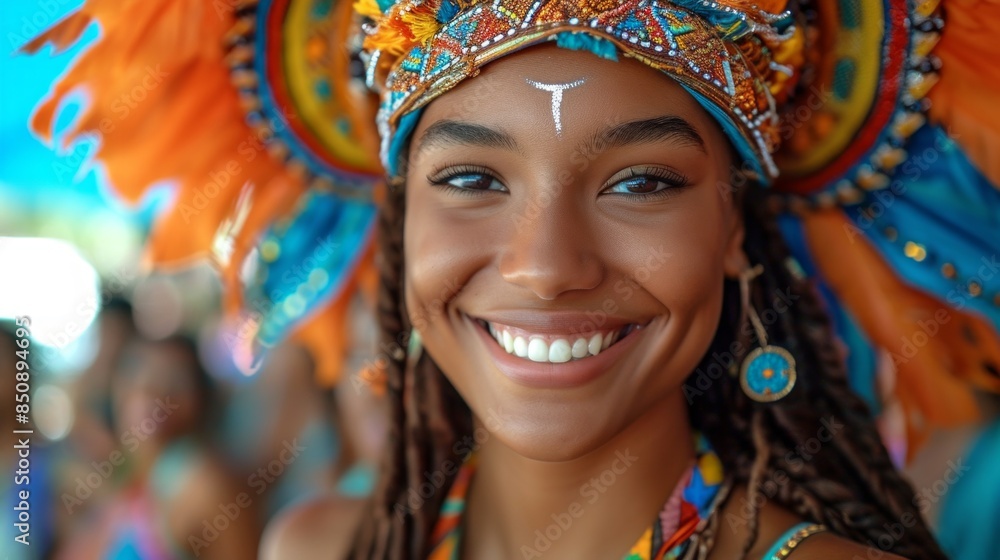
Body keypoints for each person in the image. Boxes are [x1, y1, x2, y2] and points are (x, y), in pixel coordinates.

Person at [25, 0, 1000, 558]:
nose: (546, 264)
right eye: (473, 179)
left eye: (640, 181)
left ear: (735, 230)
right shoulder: (318, 546)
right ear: (403, 228)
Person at [54, 334, 260, 560]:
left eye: (175, 380)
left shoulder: (204, 484)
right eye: (138, 375)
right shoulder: (132, 478)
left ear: (201, 400)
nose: (153, 391)